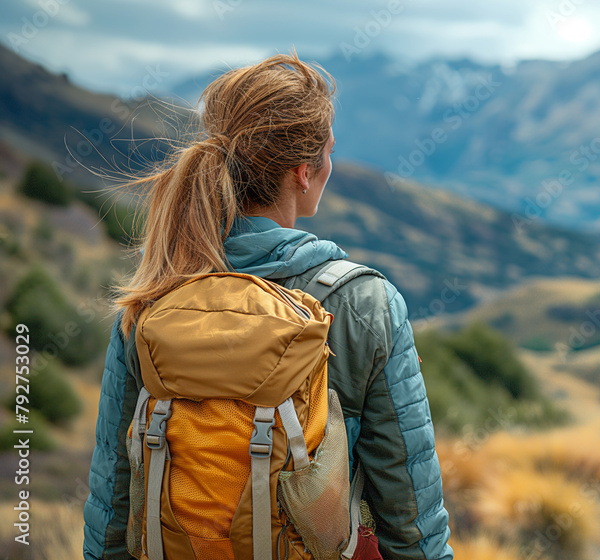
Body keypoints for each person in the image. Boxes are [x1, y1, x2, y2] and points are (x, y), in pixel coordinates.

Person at [82, 52, 453, 560]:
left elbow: (113, 501)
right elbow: (410, 518)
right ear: (304, 172)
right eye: (328, 152)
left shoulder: (154, 298)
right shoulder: (364, 304)